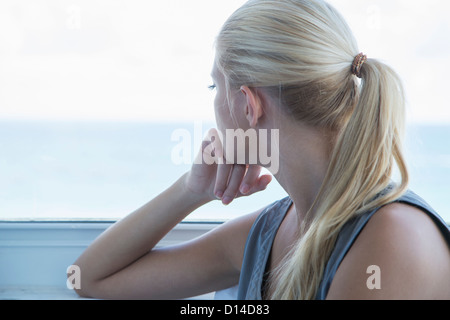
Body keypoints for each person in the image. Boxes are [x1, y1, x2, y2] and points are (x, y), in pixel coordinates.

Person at [72, 0, 450, 299]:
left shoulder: (393, 239)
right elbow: (88, 278)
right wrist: (191, 189)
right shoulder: (273, 229)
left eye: (213, 88)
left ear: (248, 105)